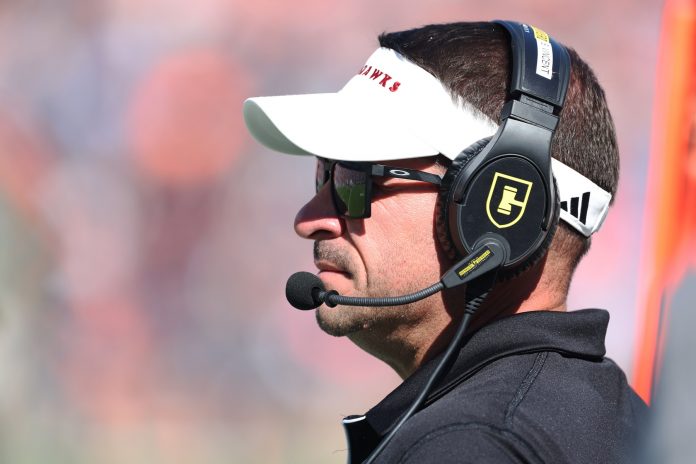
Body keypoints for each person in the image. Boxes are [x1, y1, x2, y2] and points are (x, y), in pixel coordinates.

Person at [244, 21, 647, 464]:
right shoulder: (624, 423)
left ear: (501, 205)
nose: (309, 220)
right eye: (324, 172)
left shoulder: (468, 446)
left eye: (353, 177)